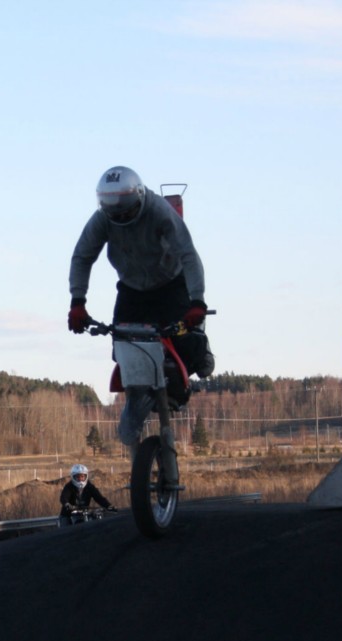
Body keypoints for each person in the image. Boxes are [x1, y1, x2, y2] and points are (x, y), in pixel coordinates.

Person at [67, 165, 215, 449]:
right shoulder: (103, 219)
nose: (122, 219)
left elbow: (188, 254)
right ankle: (137, 399)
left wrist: (197, 301)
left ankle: (200, 352)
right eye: (116, 216)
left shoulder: (159, 212)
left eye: (126, 214)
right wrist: (77, 302)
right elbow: (82, 257)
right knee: (124, 347)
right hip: (132, 289)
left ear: (138, 200)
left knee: (185, 338)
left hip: (171, 283)